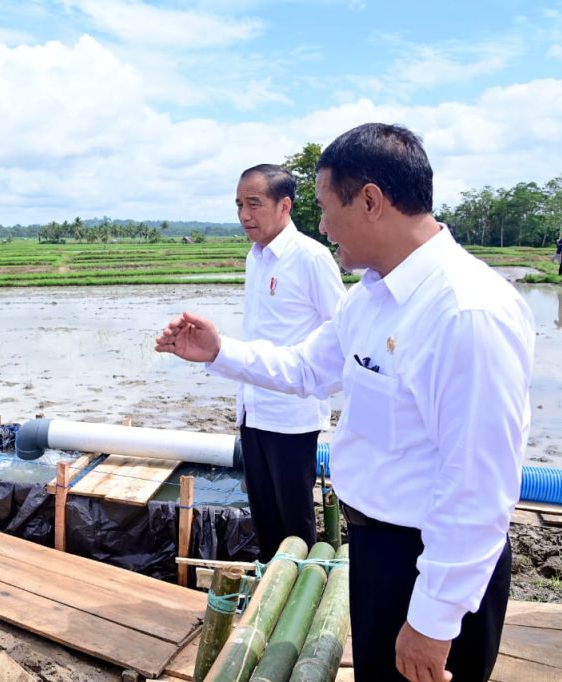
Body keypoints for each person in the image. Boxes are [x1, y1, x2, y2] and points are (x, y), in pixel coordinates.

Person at [156, 123, 535, 682]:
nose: (323, 226)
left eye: (326, 208)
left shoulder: (466, 311)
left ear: (372, 201)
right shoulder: (372, 299)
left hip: (428, 563)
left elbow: (479, 485)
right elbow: (308, 367)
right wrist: (219, 352)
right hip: (379, 550)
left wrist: (433, 619)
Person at [222, 164, 346, 562]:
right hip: (253, 410)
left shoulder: (311, 257)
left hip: (292, 415)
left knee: (295, 525)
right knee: (264, 520)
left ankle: (300, 604)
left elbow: (340, 330)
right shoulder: (255, 258)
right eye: (239, 204)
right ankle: (269, 601)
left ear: (284, 205)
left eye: (254, 204)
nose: (244, 215)